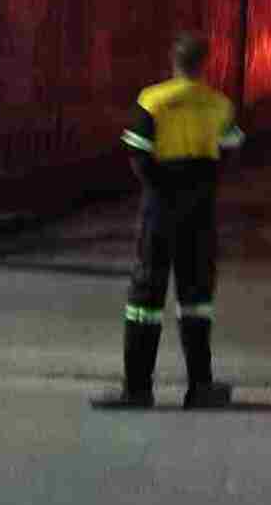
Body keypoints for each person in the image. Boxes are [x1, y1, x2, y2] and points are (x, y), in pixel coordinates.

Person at [92, 32, 244, 411]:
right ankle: (200, 386)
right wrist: (205, 182)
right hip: (200, 211)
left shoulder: (154, 100)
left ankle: (138, 388)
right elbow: (232, 148)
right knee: (196, 299)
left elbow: (138, 153)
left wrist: (160, 189)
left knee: (145, 297)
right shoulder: (219, 105)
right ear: (204, 63)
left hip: (160, 210)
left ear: (174, 62)